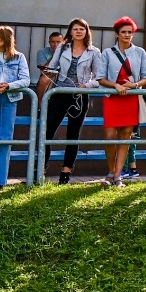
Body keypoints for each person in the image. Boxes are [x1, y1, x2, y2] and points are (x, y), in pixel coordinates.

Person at [40, 18, 100, 184]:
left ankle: (65, 172)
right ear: (70, 32)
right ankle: (40, 170)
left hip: (80, 95)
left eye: (82, 29)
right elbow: (53, 67)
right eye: (75, 29)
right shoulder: (63, 47)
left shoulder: (94, 52)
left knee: (73, 134)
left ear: (87, 32)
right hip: (60, 92)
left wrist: (85, 86)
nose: (79, 31)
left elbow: (99, 77)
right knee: (47, 131)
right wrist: (47, 71)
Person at [96, 17, 146, 187]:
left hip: (131, 97)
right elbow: (100, 77)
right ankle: (110, 171)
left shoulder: (140, 52)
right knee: (110, 137)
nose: (127, 35)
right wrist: (115, 85)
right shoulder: (107, 52)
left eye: (130, 32)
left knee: (126, 136)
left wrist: (134, 85)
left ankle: (117, 176)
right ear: (117, 34)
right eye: (123, 32)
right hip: (112, 97)